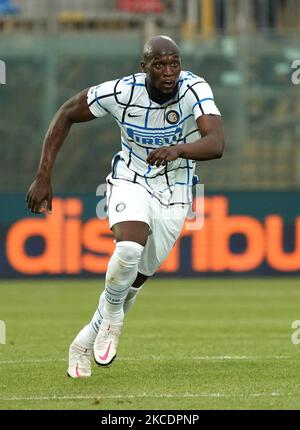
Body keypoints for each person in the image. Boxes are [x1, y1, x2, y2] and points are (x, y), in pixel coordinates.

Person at [26, 35, 224, 378]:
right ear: (143, 67)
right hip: (131, 179)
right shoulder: (120, 92)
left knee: (133, 283)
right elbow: (66, 113)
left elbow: (216, 143)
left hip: (176, 190)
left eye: (174, 64)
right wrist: (43, 175)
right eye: (159, 64)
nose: (168, 72)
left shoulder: (195, 88)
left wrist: (177, 150)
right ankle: (113, 320)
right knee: (129, 249)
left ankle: (82, 342)